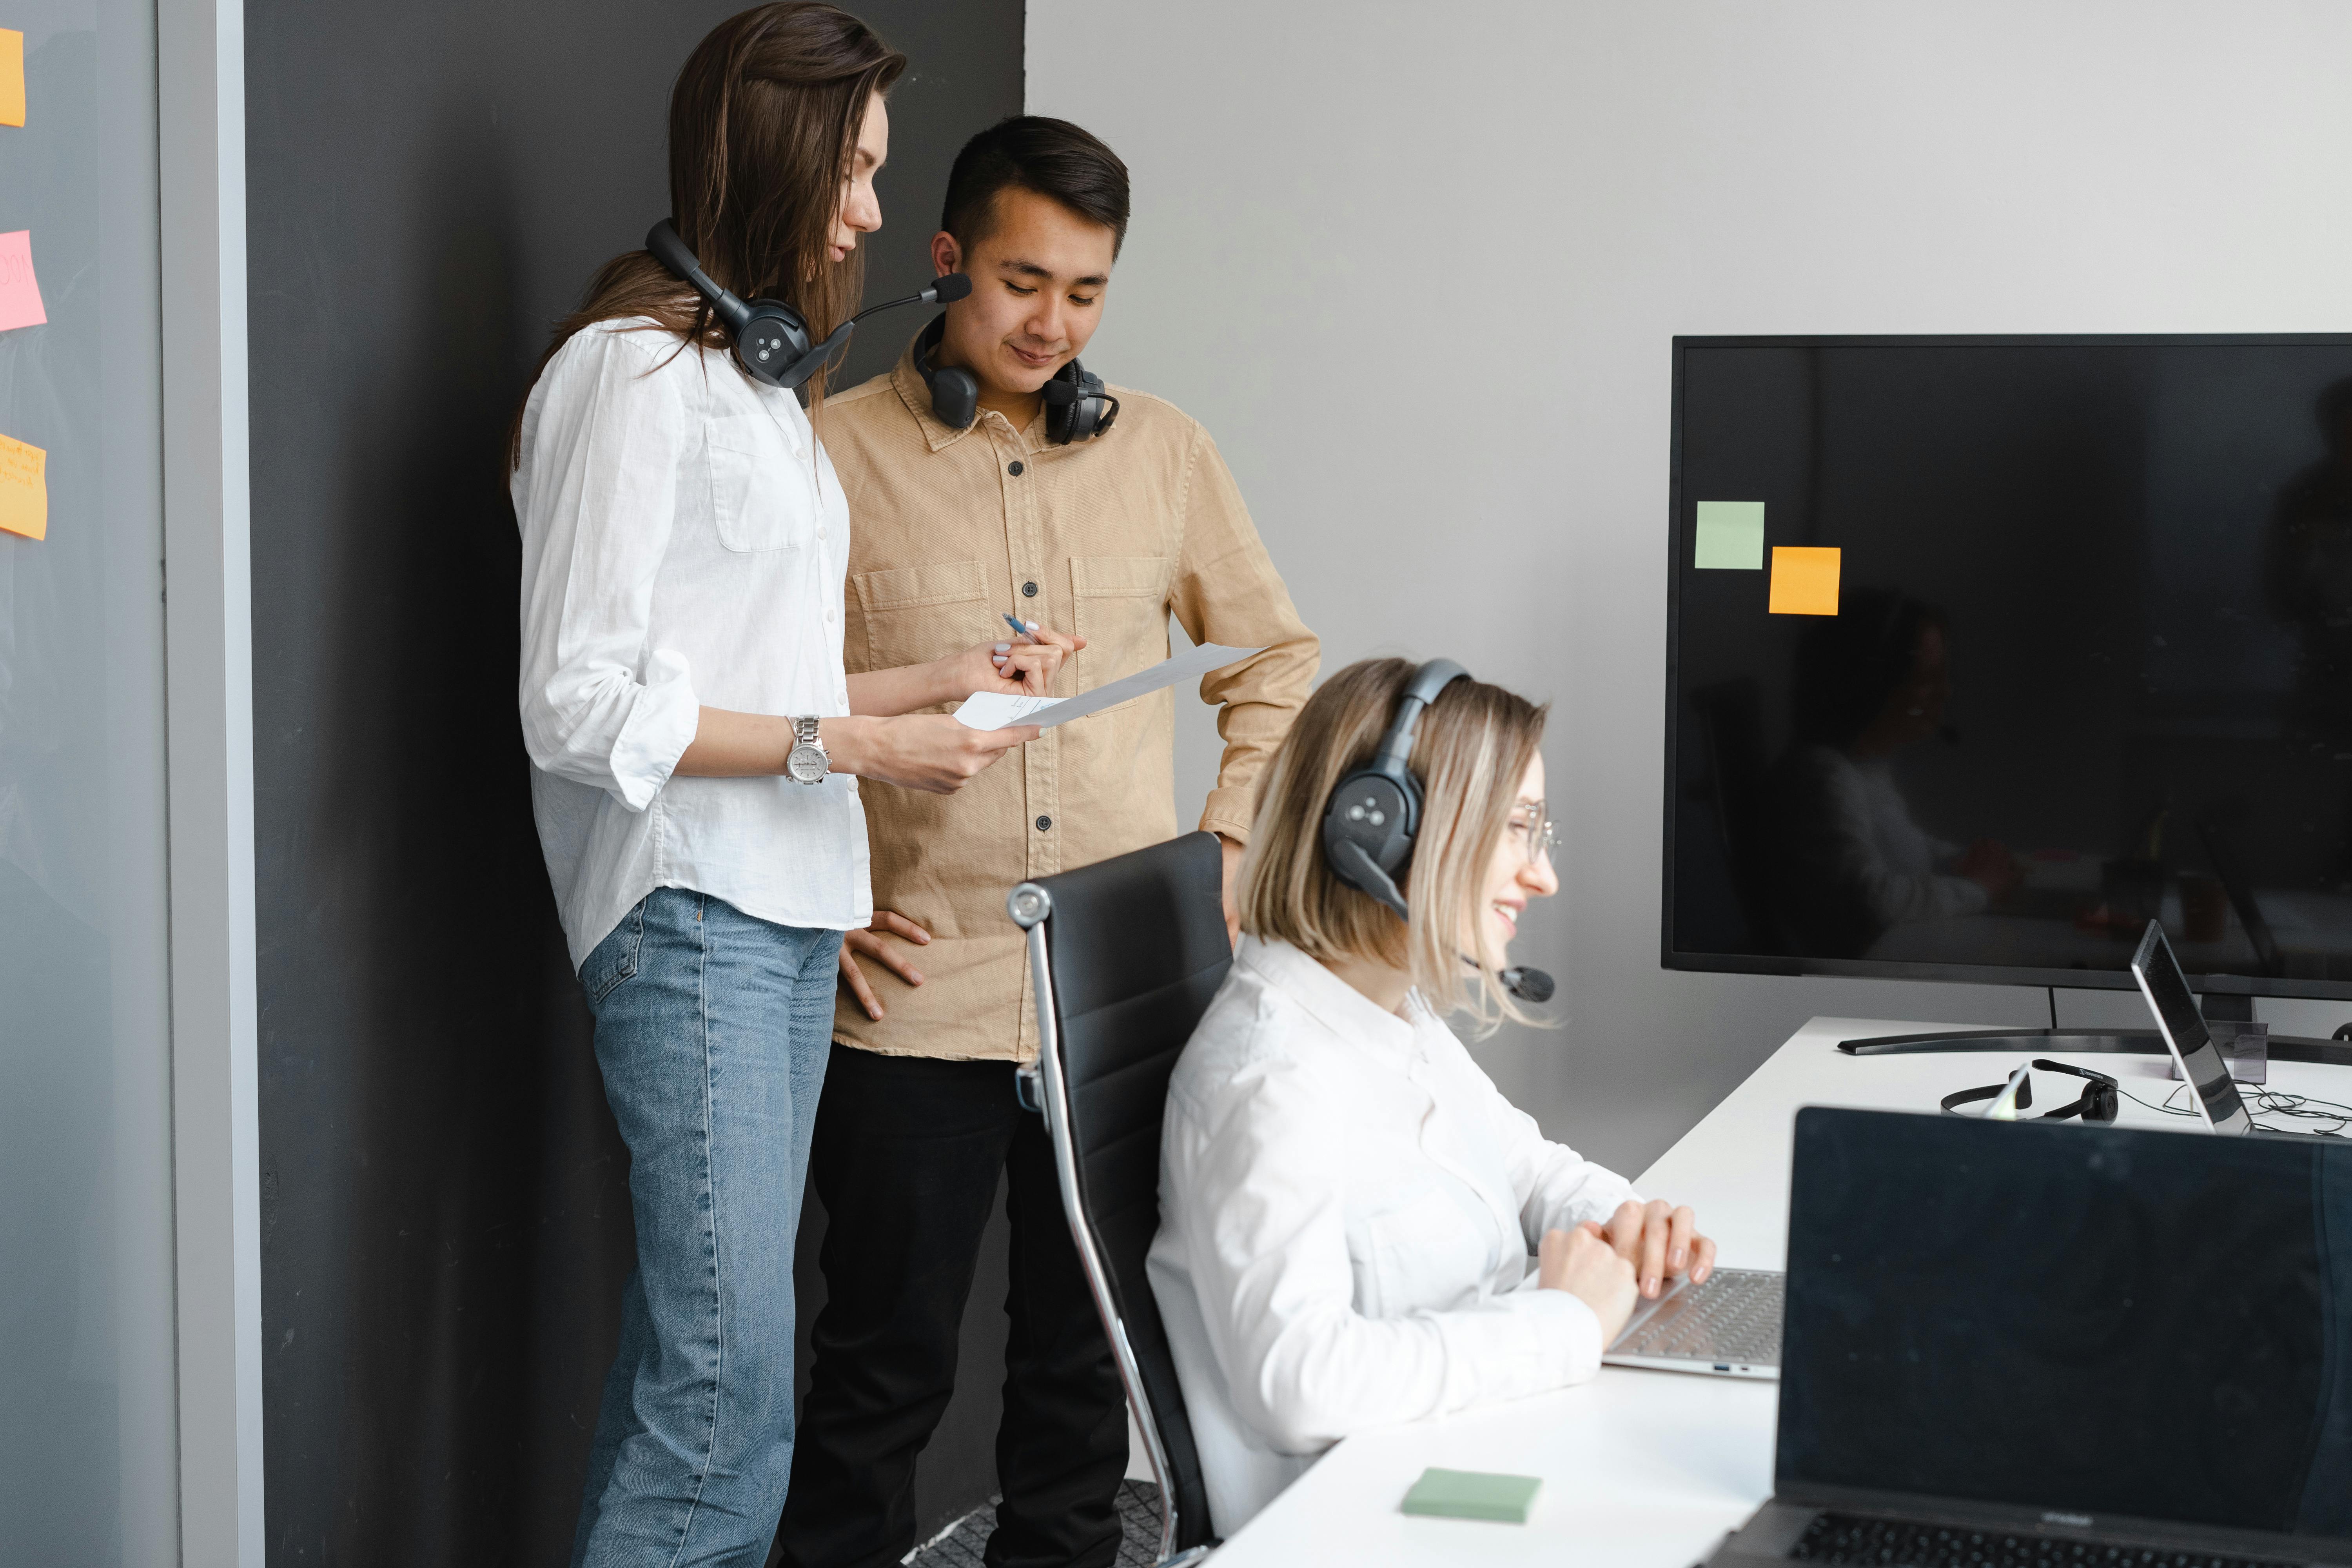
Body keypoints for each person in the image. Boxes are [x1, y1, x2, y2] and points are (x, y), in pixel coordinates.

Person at [507, 9, 1072, 1563]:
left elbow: (778, 683)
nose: (876, 217)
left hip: (780, 917)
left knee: (697, 1373)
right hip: (691, 912)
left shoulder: (755, 393)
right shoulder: (623, 380)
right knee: (726, 1390)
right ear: (777, 155)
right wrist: (862, 748)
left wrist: (942, 680)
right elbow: (578, 702)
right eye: (859, 174)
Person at [775, 118, 1319, 1568]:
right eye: (1024, 280)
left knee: (1087, 1383)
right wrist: (814, 904)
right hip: (913, 999)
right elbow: (767, 714)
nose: (1051, 322)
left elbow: (1272, 655)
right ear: (947, 259)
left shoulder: (1166, 451)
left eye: (1085, 291)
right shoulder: (822, 457)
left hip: (1115, 1004)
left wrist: (1227, 834)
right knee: (877, 1379)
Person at [1146, 658, 1717, 1537]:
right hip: (1371, 1526)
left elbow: (1527, 1168)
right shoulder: (1269, 1081)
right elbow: (1299, 1381)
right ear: (1378, 834)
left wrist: (1623, 1220)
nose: (1543, 875)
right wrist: (1562, 1322)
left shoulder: (1389, 1007)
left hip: (1471, 1457)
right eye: (1517, 827)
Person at [1765, 589, 2018, 958]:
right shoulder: (1823, 777)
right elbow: (1874, 901)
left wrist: (1963, 860)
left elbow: (1903, 851)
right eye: (1928, 679)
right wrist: (1977, 889)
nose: (1946, 693)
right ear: (1874, 683)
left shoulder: (1865, 771)